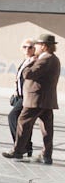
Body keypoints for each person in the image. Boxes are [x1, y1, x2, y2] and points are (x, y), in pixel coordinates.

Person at [6, 33, 59, 164]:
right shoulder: (53, 58)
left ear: (44, 46)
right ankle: (46, 155)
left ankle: (17, 151)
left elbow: (28, 74)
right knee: (47, 129)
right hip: (46, 99)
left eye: (38, 45)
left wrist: (31, 61)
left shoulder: (45, 59)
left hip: (36, 99)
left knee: (23, 122)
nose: (36, 47)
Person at [8, 38, 37, 151]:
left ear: (34, 48)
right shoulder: (25, 61)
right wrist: (16, 89)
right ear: (21, 49)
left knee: (12, 116)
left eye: (30, 47)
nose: (27, 49)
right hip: (20, 95)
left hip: (27, 96)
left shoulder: (34, 61)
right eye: (25, 47)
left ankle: (20, 145)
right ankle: (27, 146)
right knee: (25, 122)